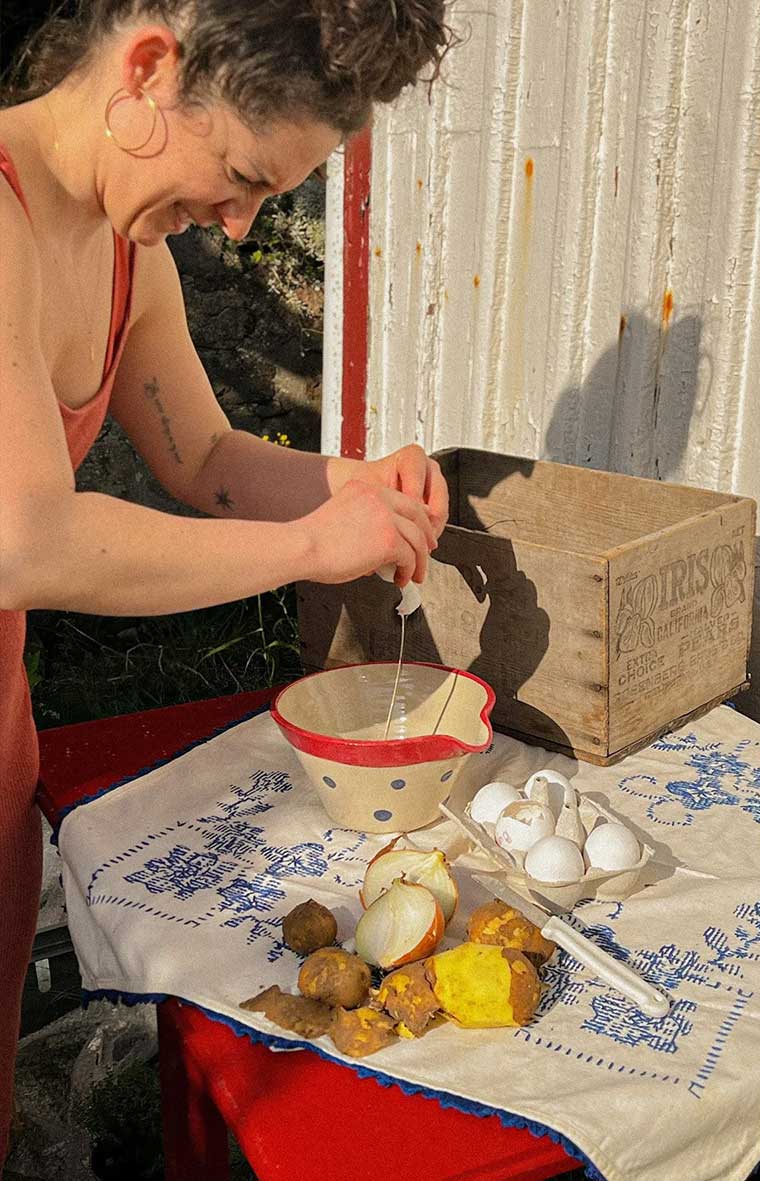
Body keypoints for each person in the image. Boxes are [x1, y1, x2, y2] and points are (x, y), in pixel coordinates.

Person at [0, 0, 454, 1160]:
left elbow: (204, 460)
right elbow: (27, 542)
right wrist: (313, 548)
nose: (242, 227)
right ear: (149, 68)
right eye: (243, 176)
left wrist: (360, 491)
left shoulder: (124, 252)